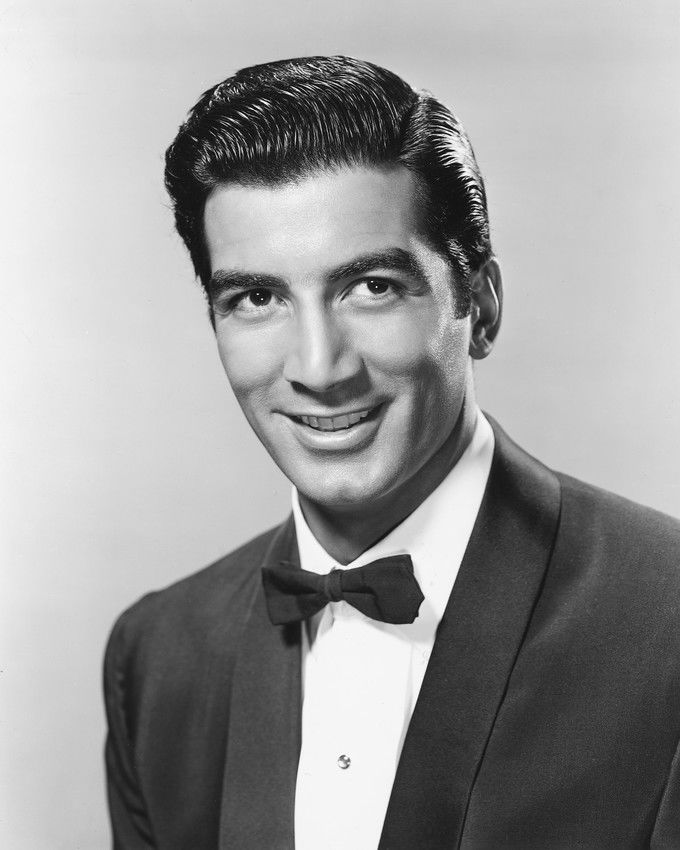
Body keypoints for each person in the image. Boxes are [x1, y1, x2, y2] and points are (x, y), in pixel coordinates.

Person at [103, 56, 680, 849]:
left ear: (480, 306)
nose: (318, 368)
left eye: (371, 286)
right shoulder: (158, 659)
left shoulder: (666, 619)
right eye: (257, 298)